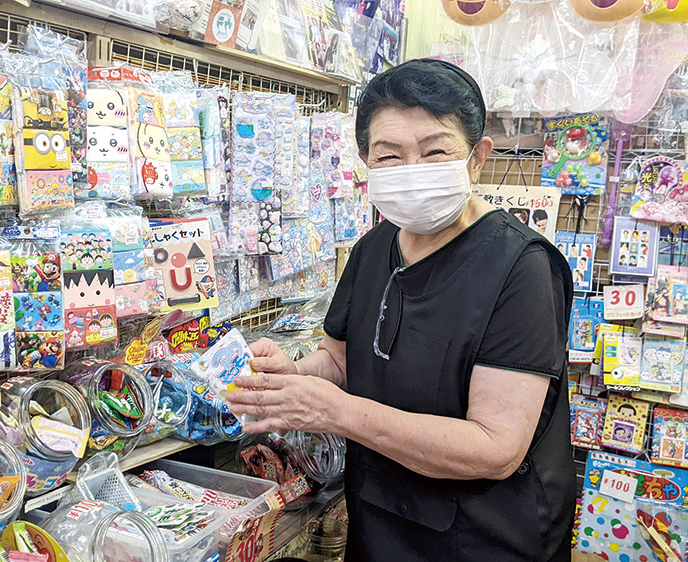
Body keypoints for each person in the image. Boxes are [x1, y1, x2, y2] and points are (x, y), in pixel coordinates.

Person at [228, 59, 574, 561]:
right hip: (382, 518)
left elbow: (496, 448)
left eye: (435, 151)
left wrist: (336, 411)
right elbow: (342, 360)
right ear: (366, 160)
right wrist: (295, 375)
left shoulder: (521, 267)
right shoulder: (374, 248)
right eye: (389, 156)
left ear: (477, 158)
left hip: (483, 536)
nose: (412, 172)